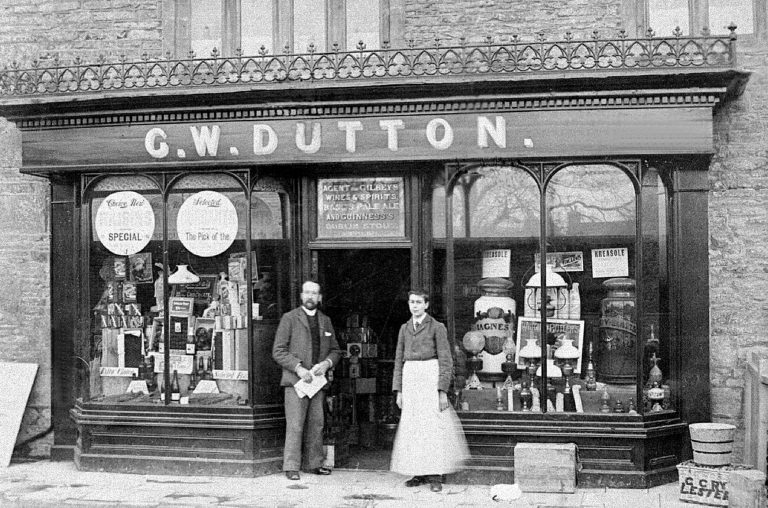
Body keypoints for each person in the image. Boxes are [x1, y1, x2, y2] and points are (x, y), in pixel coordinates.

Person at [390, 289, 469, 492]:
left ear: (426, 305)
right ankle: (419, 472)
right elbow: (398, 360)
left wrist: (442, 391)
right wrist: (399, 390)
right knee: (413, 426)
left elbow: (446, 360)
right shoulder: (404, 328)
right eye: (411, 302)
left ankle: (435, 474)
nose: (414, 306)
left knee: (432, 426)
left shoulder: (437, 327)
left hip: (429, 377)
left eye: (418, 302)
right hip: (411, 378)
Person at [272, 280, 342, 481]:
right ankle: (291, 466)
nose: (310, 296)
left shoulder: (325, 320)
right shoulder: (290, 318)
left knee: (316, 423)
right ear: (301, 296)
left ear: (320, 297)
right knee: (295, 425)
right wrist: (298, 368)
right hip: (296, 382)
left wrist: (327, 363)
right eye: (307, 292)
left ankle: (314, 463)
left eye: (314, 293)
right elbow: (278, 350)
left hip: (317, 382)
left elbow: (336, 350)